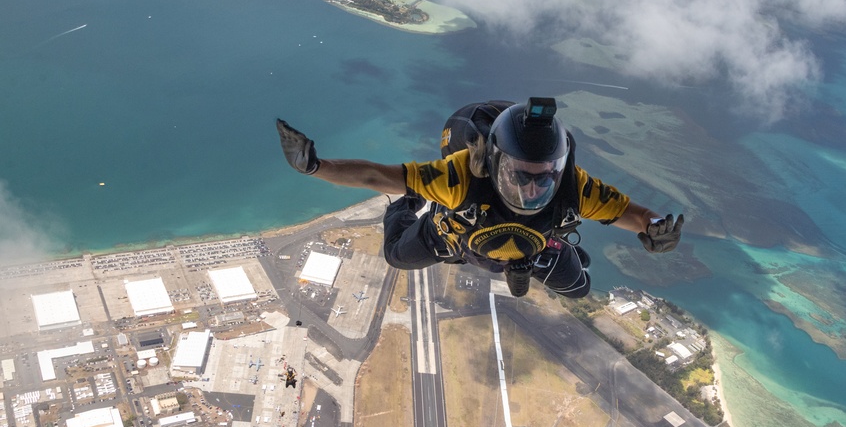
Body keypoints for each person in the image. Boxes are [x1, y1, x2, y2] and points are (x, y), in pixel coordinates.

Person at [277, 97, 683, 298]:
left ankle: (558, 251)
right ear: (495, 162)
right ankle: (407, 207)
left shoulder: (574, 186)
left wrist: (653, 230)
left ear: (560, 166)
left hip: (521, 247)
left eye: (545, 178)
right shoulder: (459, 177)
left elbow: (634, 214)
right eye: (521, 176)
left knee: (577, 289)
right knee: (396, 254)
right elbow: (375, 175)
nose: (532, 189)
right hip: (455, 236)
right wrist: (317, 167)